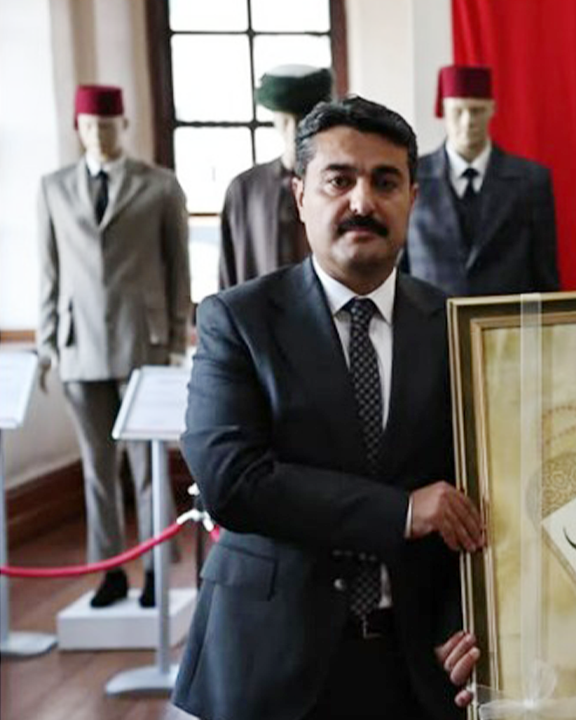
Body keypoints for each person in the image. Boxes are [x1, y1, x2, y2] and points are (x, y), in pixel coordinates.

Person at [175, 96, 481, 720]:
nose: (362, 202)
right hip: (270, 656)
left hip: (419, 662)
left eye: (385, 182)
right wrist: (401, 511)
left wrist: (474, 622)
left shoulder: (456, 326)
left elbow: (480, 493)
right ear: (300, 196)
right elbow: (232, 482)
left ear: (412, 199)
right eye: (339, 181)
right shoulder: (238, 319)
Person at [36, 84, 190, 609]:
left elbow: (178, 270)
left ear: (123, 126)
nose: (98, 135)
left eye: (107, 126)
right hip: (78, 347)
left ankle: (155, 570)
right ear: (77, 129)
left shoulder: (160, 186)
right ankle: (109, 573)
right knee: (96, 470)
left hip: (142, 343)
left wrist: (175, 338)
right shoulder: (53, 188)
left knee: (149, 467)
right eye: (89, 127)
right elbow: (49, 271)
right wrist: (47, 341)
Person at [402, 64, 559, 295]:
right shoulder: (410, 177)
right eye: (458, 111)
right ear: (443, 111)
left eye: (477, 110)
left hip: (506, 317)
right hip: (429, 315)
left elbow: (545, 277)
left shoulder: (531, 181)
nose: (468, 122)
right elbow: (399, 270)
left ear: (492, 109)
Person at [218, 64, 333, 289]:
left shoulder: (337, 184)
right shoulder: (244, 189)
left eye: (302, 120)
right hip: (256, 310)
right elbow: (228, 274)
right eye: (285, 121)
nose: (293, 130)